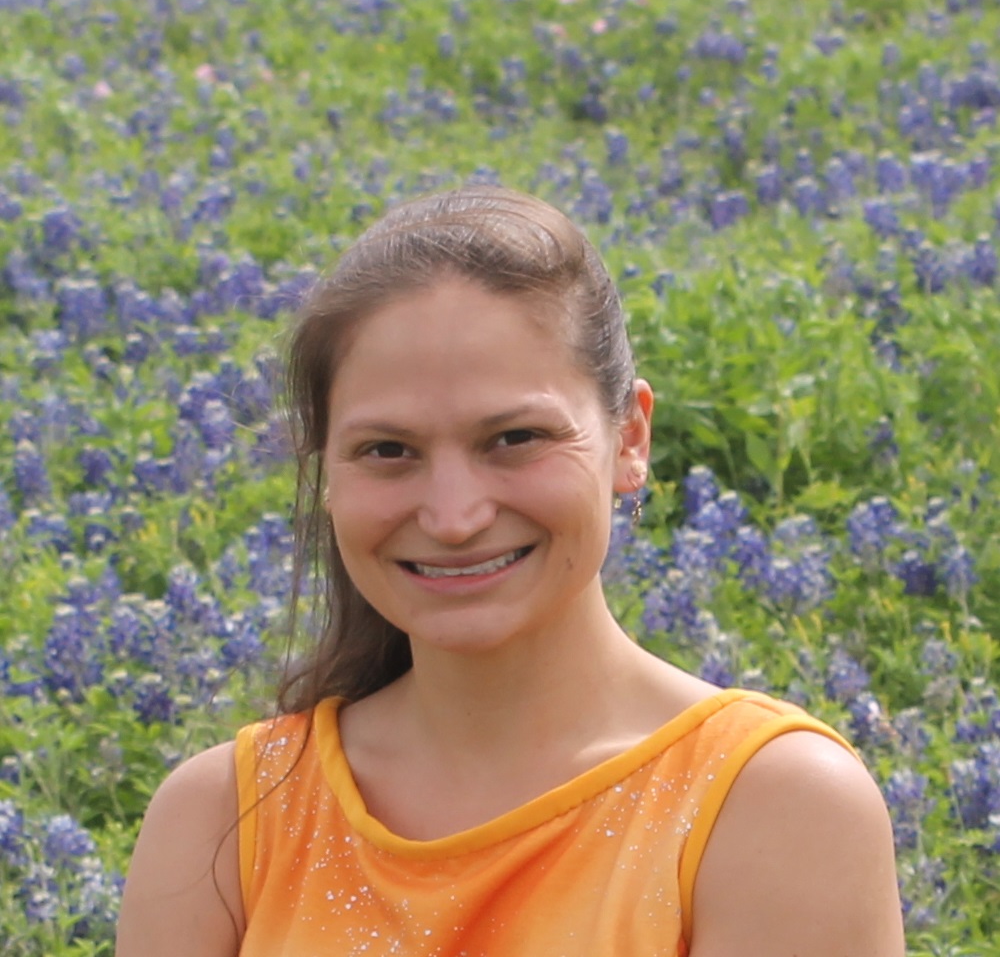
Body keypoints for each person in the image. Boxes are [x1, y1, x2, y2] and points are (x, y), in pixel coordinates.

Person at [116, 186, 905, 957]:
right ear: (329, 473)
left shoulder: (771, 805)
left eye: (515, 438)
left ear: (630, 439)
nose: (453, 516)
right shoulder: (222, 819)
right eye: (387, 450)